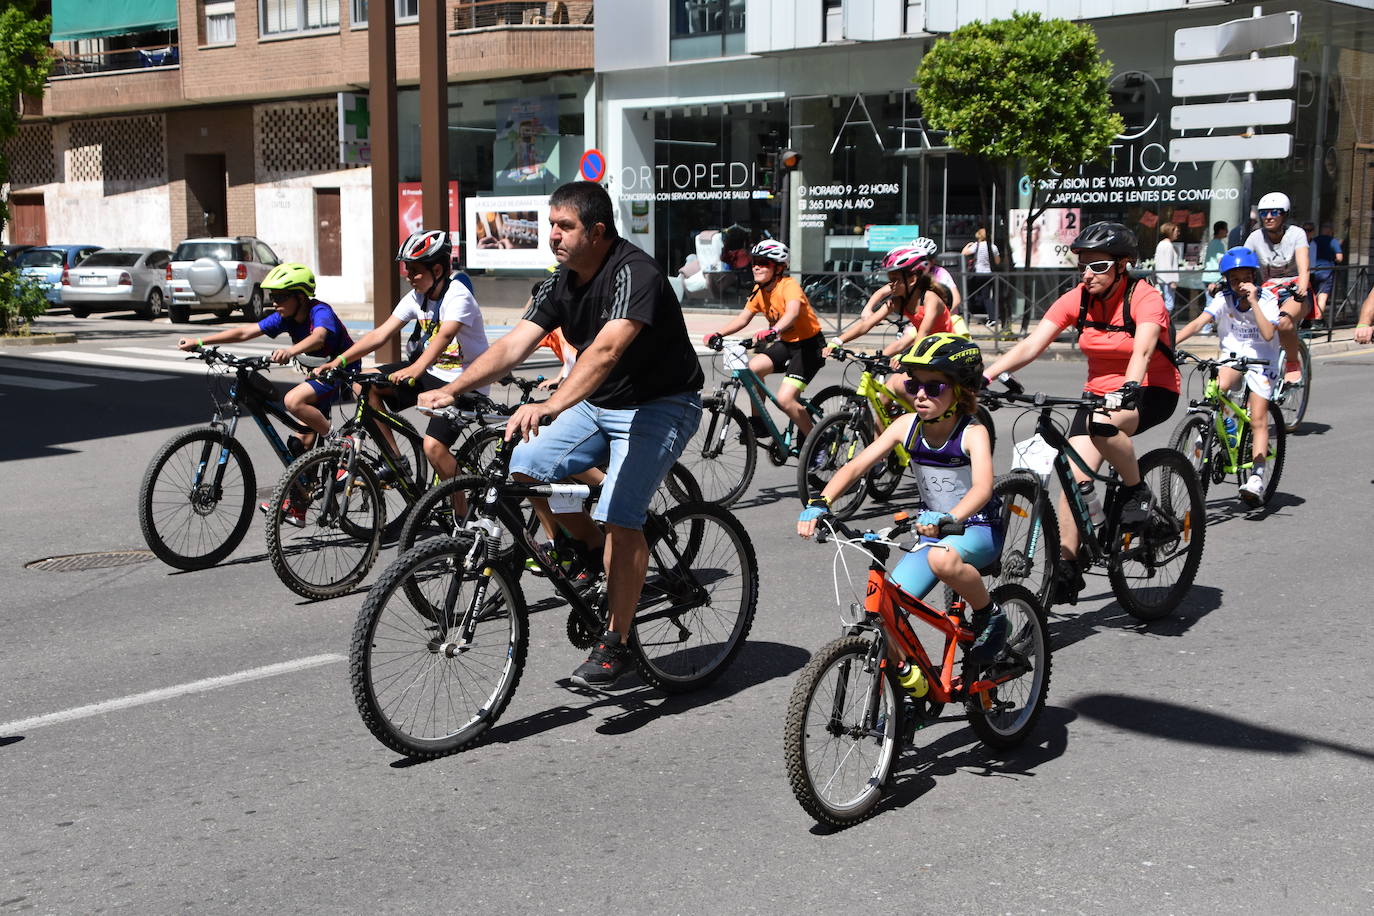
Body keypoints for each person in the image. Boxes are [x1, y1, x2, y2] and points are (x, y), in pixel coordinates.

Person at [418, 180, 704, 690]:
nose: (553, 235)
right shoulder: (560, 282)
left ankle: (617, 643)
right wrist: (455, 387)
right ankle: (594, 556)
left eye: (564, 226)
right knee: (525, 467)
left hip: (661, 404)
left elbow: (607, 351)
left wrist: (550, 404)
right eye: (551, 225)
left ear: (596, 231)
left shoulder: (633, 272)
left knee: (620, 512)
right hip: (601, 402)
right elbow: (515, 345)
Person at [982, 221, 1180, 604]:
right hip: (1096, 397)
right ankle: (1069, 568)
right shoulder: (1079, 298)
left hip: (1149, 390)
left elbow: (1142, 350)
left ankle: (1137, 492)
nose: (1088, 274)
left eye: (1099, 266)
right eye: (1084, 265)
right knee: (1073, 479)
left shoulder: (1145, 298)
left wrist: (1128, 388)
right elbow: (1033, 343)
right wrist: (987, 375)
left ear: (1123, 265)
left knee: (1104, 423)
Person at [796, 333, 1007, 662]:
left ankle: (989, 615)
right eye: (914, 386)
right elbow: (856, 466)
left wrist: (950, 518)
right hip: (932, 532)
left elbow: (982, 488)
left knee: (941, 559)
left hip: (975, 528)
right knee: (884, 613)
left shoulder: (972, 432)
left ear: (962, 390)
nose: (920, 395)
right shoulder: (906, 425)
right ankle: (907, 687)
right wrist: (820, 502)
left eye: (934, 387)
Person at [314, 229, 489, 487]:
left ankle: (464, 518)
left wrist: (416, 369)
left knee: (434, 448)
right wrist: (338, 361)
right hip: (432, 374)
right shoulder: (418, 298)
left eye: (414, 270)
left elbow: (445, 336)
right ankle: (394, 462)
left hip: (465, 382)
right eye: (407, 269)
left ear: (438, 270)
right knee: (364, 383)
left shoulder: (458, 295)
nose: (408, 277)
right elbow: (381, 334)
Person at [177, 261, 352, 453]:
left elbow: (319, 337)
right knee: (299, 446)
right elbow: (245, 332)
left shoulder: (319, 311)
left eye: (281, 297)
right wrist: (200, 341)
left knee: (294, 401)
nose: (275, 302)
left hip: (341, 371)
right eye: (272, 296)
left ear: (300, 297)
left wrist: (290, 352)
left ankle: (341, 444)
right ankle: (309, 480)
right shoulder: (285, 317)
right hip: (318, 373)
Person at [1174, 247, 1280, 505]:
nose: (1240, 284)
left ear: (1254, 277)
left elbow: (1268, 334)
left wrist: (1254, 302)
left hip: (1262, 360)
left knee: (1258, 419)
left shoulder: (1267, 299)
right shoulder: (1223, 299)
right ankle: (1225, 426)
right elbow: (1199, 322)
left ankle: (1256, 476)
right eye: (1234, 279)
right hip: (1233, 357)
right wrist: (1169, 343)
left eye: (1246, 278)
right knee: (1217, 386)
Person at [702, 239, 824, 441]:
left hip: (808, 346)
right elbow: (743, 318)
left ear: (778, 268)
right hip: (786, 343)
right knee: (751, 371)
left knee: (785, 400)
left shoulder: (788, 285)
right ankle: (759, 424)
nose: (756, 266)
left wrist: (774, 330)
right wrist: (718, 334)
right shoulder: (759, 290)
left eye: (764, 262)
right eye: (754, 262)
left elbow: (792, 312)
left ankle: (818, 442)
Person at [828, 244, 957, 361]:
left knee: (909, 384)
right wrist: (837, 341)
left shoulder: (930, 298)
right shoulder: (898, 301)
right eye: (890, 279)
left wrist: (907, 355)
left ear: (912, 279)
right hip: (926, 348)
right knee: (882, 369)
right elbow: (866, 325)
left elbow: (924, 332)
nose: (891, 285)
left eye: (895, 280)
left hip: (947, 351)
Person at [1244, 191, 1310, 385]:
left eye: (1274, 212)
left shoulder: (1296, 234)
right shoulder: (1255, 237)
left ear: (1285, 215)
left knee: (1283, 322)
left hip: (1294, 291)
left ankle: (1292, 362)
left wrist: (1302, 288)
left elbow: (1304, 267)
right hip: (1267, 291)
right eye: (1264, 213)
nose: (1269, 217)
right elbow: (1242, 260)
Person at [961, 227, 1001, 329]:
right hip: (989, 274)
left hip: (977, 274)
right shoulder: (993, 247)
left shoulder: (977, 245)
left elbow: (963, 253)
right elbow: (997, 262)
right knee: (987, 297)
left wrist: (967, 245)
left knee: (970, 295)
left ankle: (966, 316)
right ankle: (992, 318)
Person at [1309, 221, 1343, 321]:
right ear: (1331, 231)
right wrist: (1334, 260)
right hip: (1326, 272)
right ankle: (1317, 321)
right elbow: (1339, 257)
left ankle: (1307, 321)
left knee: (1312, 296)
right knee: (1322, 297)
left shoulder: (1314, 240)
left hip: (1313, 271)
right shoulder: (1333, 241)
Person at [1153, 221, 1181, 314]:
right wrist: (1172, 280)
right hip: (1167, 279)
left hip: (1161, 278)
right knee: (1169, 304)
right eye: (1176, 231)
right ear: (1170, 231)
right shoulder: (1168, 245)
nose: (1178, 233)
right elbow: (1168, 264)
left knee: (1164, 302)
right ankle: (1164, 324)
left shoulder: (1161, 244)